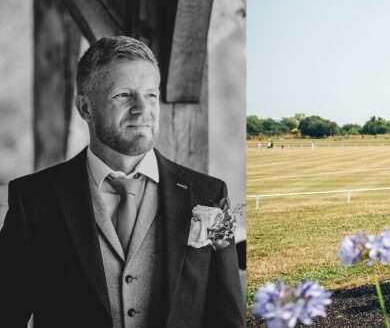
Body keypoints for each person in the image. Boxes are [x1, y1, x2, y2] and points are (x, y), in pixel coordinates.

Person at [0, 36, 244, 327]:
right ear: (85, 108)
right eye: (123, 96)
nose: (142, 110)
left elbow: (227, 316)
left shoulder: (207, 193)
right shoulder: (34, 199)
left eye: (151, 95)